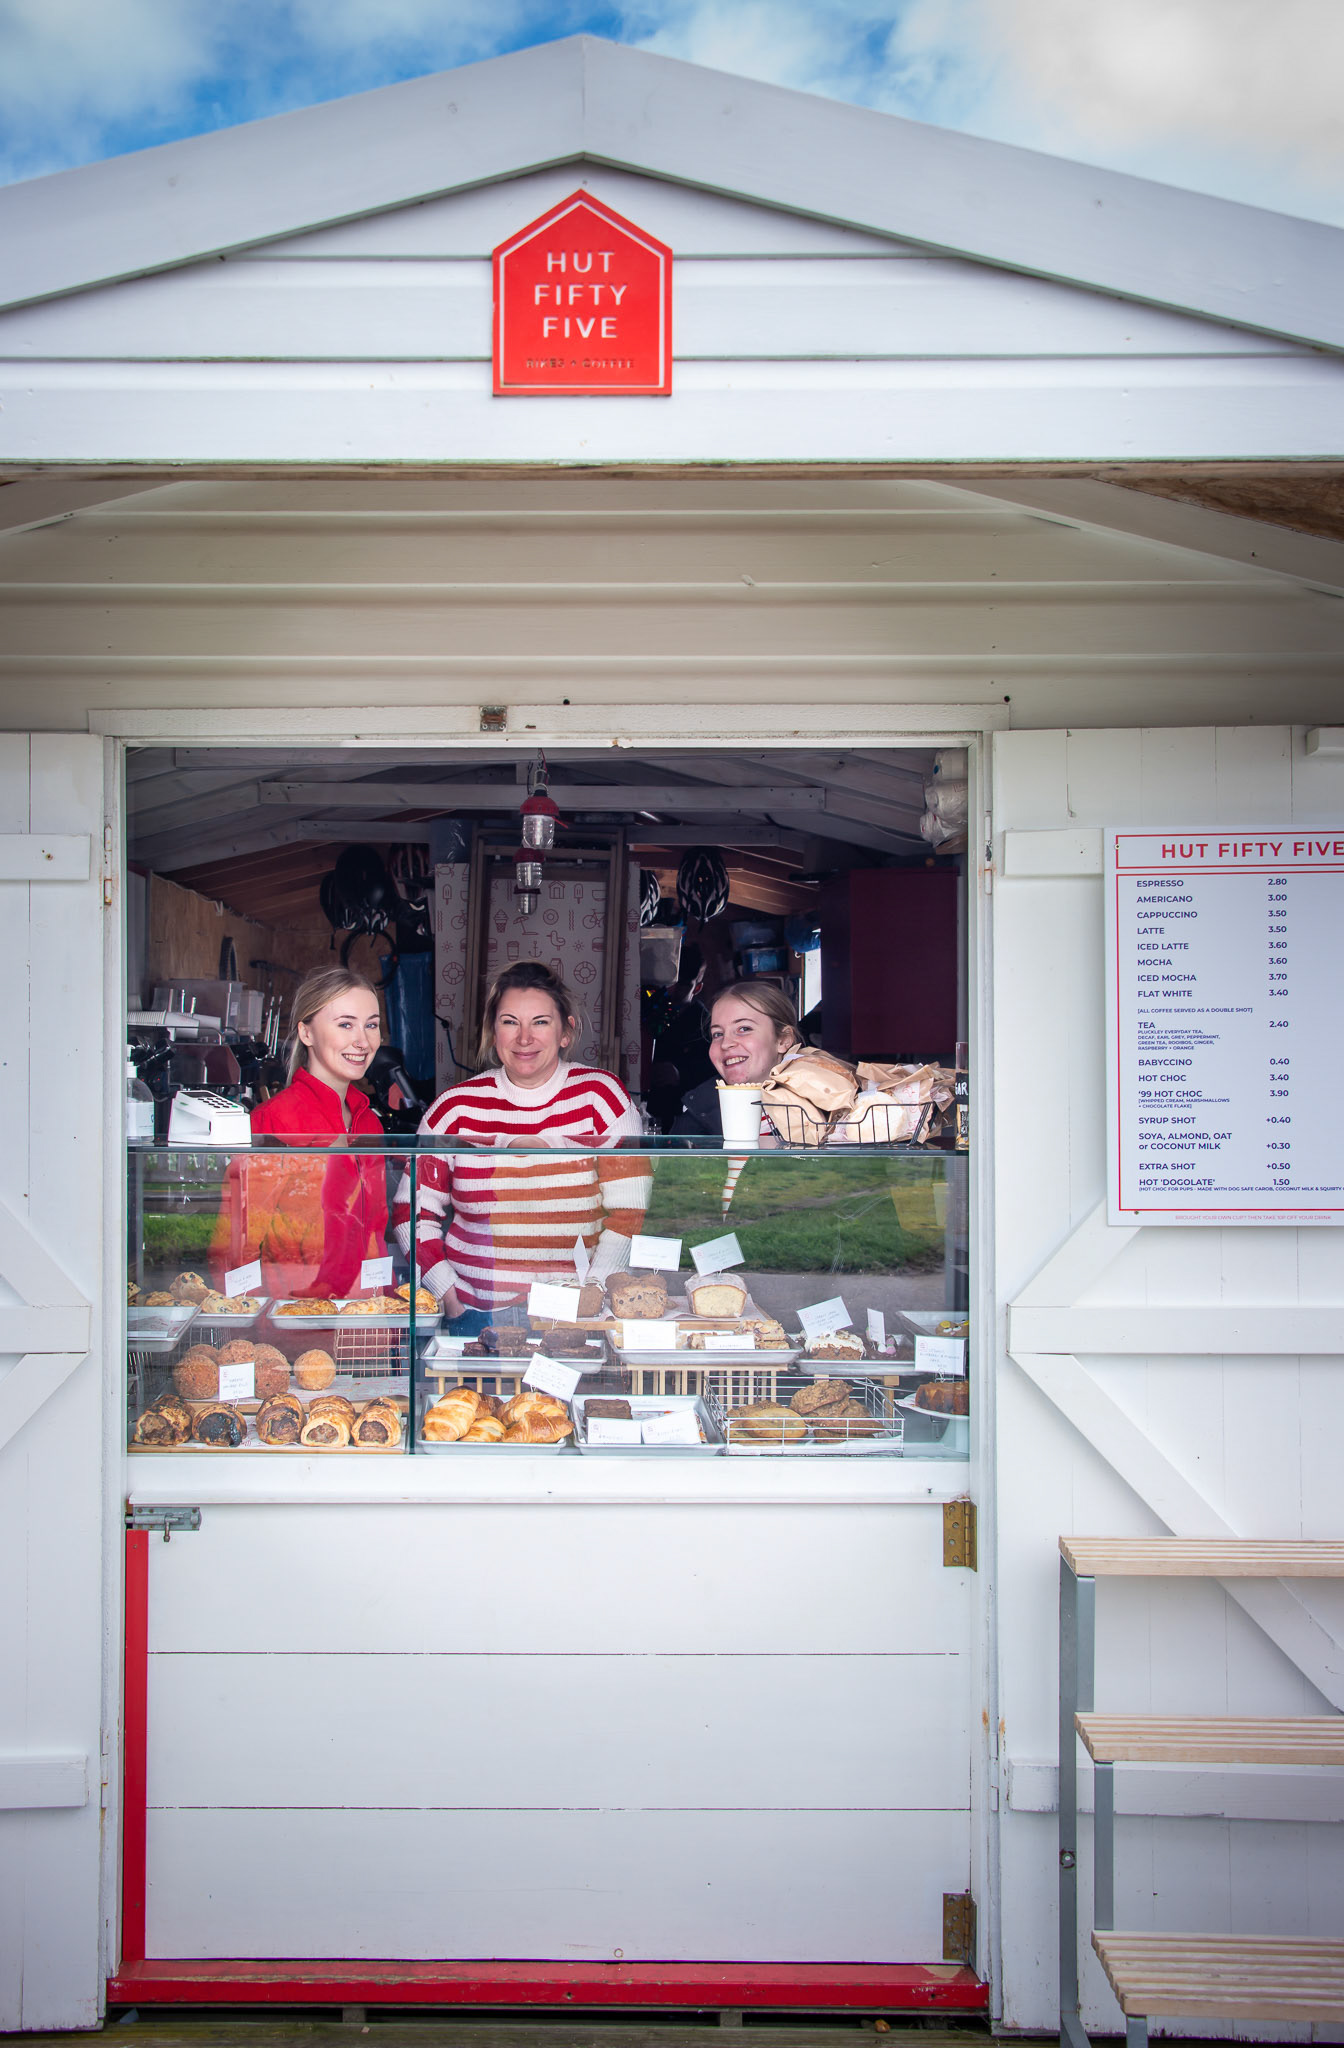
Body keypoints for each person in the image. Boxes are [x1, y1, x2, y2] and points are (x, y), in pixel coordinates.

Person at [392, 961, 649, 1331]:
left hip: (574, 1316)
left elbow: (629, 1212)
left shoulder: (601, 1098)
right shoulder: (455, 1107)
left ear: (566, 1032)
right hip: (476, 1314)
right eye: (510, 1021)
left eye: (540, 1022)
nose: (524, 1038)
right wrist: (449, 1297)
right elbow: (412, 1214)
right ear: (493, 1031)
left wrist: (590, 1294)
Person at [211, 967, 389, 1299]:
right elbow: (235, 1249)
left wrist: (383, 1313)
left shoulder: (369, 1124)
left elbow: (375, 1235)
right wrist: (255, 1327)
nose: (363, 1041)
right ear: (306, 1033)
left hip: (367, 1327)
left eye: (372, 1025)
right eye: (345, 1024)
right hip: (296, 1325)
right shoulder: (274, 1122)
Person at [673, 980, 805, 1137]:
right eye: (718, 1034)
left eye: (744, 1029)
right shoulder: (696, 1113)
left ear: (783, 1040)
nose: (726, 1043)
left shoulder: (828, 1106)